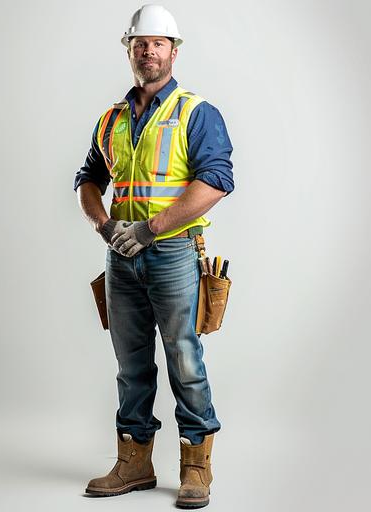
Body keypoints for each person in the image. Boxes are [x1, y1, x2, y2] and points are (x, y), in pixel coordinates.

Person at [74, 4, 234, 508]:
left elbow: (216, 182)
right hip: (122, 259)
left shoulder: (195, 112)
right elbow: (87, 180)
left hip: (173, 256)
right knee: (131, 364)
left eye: (158, 43)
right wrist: (106, 226)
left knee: (184, 359)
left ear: (173, 50)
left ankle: (196, 467)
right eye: (139, 43)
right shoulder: (112, 119)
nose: (148, 51)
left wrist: (150, 229)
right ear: (129, 49)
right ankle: (134, 463)